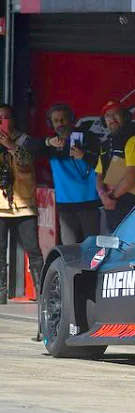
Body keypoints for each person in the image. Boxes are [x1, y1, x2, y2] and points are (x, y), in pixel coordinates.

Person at [0, 104, 44, 306]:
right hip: (1, 203)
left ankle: (43, 292)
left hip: (24, 204)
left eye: (6, 117)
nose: (2, 121)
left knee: (33, 250)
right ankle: (1, 293)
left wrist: (12, 146)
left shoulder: (24, 140)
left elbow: (27, 162)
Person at [42, 104, 101, 244]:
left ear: (72, 119)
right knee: (70, 248)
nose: (60, 123)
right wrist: (48, 142)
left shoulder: (88, 137)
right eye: (56, 121)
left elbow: (104, 163)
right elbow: (31, 146)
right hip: (65, 204)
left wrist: (84, 155)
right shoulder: (51, 143)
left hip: (89, 201)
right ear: (51, 124)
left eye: (63, 119)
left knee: (92, 246)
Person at [95, 101, 135, 234]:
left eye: (116, 114)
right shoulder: (105, 144)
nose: (112, 119)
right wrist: (102, 195)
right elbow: (99, 174)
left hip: (128, 204)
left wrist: (112, 197)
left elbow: (132, 172)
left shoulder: (132, 140)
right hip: (110, 204)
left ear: (125, 117)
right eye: (107, 116)